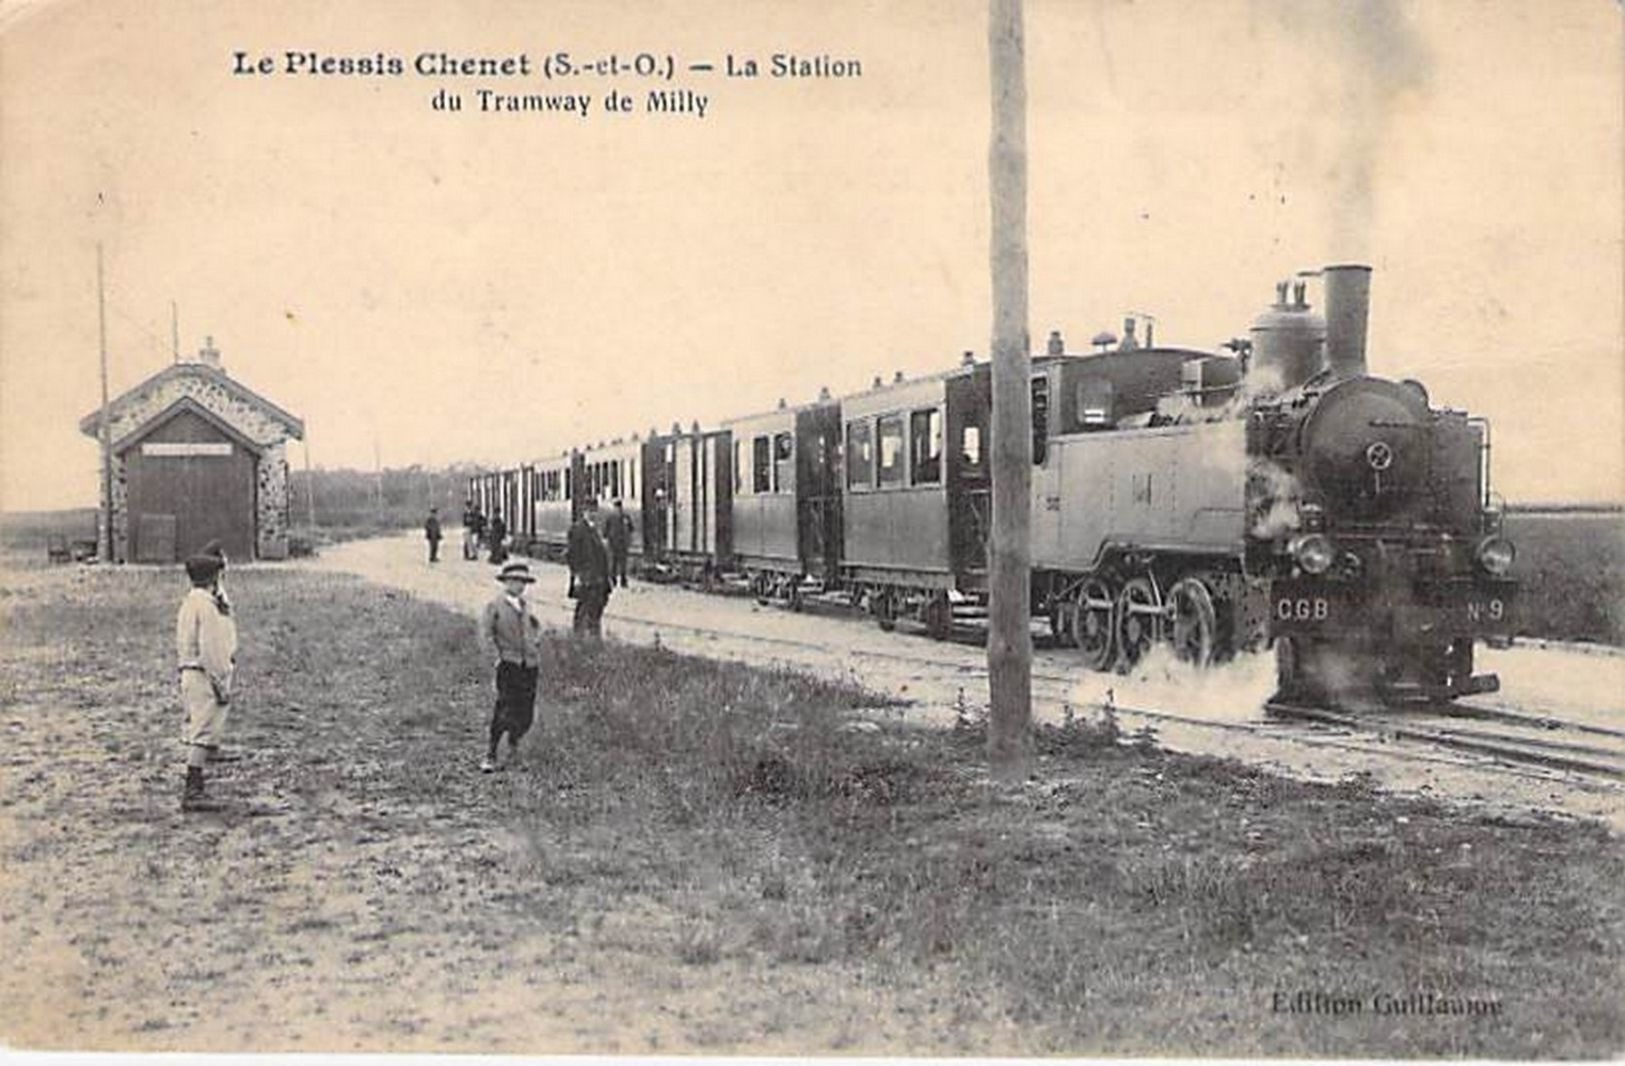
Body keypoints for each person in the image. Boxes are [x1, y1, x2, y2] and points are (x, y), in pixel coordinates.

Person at [175, 542, 237, 812]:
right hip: (203, 673)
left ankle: (199, 773)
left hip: (192, 671)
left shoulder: (192, 601)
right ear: (213, 578)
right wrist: (219, 680)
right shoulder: (206, 607)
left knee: (202, 725)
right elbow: (210, 648)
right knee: (202, 729)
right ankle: (193, 788)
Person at [479, 559, 544, 772]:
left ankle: (514, 748)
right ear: (506, 582)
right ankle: (491, 753)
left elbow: (535, 627)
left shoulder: (525, 606)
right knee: (505, 708)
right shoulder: (495, 606)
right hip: (508, 664)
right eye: (516, 581)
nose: (520, 586)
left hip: (529, 665)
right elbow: (486, 635)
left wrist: (536, 641)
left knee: (526, 712)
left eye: (523, 582)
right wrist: (495, 658)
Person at [566, 500, 611, 639]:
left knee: (596, 608)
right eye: (589, 511)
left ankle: (592, 636)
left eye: (594, 511)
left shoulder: (594, 530)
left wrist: (607, 577)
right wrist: (577, 574)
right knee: (585, 608)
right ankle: (580, 636)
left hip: (598, 578)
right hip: (586, 577)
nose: (592, 514)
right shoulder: (578, 529)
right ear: (584, 512)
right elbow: (572, 554)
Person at [605, 498, 633, 588]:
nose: (617, 510)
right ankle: (616, 580)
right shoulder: (616, 517)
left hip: (619, 542)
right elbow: (606, 530)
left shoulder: (622, 517)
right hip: (615, 542)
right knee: (617, 562)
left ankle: (620, 580)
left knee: (619, 562)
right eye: (616, 508)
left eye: (618, 508)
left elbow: (631, 528)